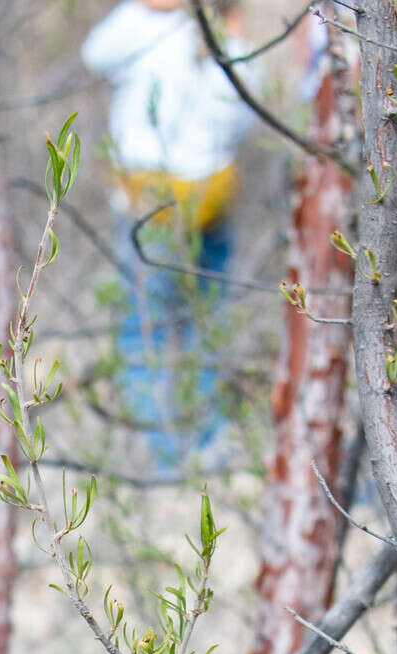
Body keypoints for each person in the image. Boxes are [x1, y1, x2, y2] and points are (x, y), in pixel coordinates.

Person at [82, 0, 258, 470]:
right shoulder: (156, 25)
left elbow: (239, 114)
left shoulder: (212, 34)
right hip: (164, 202)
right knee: (183, 324)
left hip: (189, 205)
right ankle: (170, 451)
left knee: (161, 327)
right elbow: (96, 54)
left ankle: (188, 451)